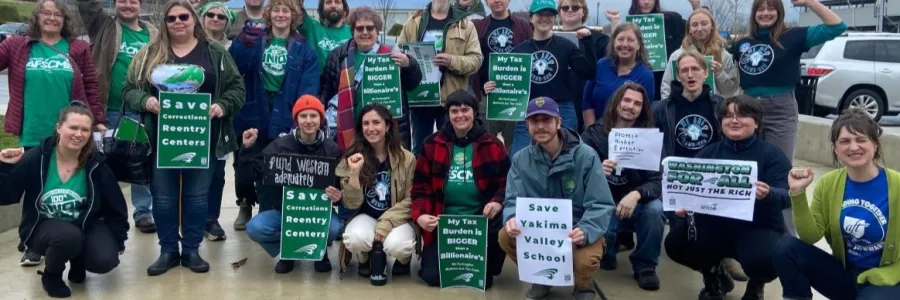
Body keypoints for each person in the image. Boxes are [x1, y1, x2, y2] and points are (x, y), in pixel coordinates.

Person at [123, 0, 244, 276]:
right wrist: (145, 101)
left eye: (183, 17)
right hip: (161, 141)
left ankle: (191, 249)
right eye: (171, 18)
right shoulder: (149, 54)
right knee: (163, 198)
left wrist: (222, 105)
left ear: (194, 20)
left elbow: (237, 88)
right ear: (164, 23)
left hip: (204, 139)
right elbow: (128, 89)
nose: (178, 22)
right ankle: (168, 250)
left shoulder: (215, 53)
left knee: (197, 197)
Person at [1, 0, 107, 268]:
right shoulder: (17, 45)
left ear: (65, 19)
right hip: (33, 128)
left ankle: (71, 238)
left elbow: (91, 87)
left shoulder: (78, 48)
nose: (51, 18)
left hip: (70, 131)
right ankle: (33, 245)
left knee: (66, 183)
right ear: (37, 17)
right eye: (46, 13)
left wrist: (99, 121)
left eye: (57, 14)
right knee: (35, 186)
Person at [665, 95, 792, 300]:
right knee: (676, 243)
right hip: (715, 227)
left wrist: (769, 194)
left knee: (770, 257)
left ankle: (756, 284)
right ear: (721, 122)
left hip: (757, 227)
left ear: (756, 122)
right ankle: (715, 276)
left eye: (742, 115)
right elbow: (690, 192)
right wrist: (684, 206)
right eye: (728, 116)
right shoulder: (708, 153)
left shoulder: (772, 154)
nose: (734, 120)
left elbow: (788, 196)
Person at [0, 105, 129, 298]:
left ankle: (78, 260)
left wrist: (117, 240)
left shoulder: (96, 163)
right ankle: (52, 275)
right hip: (44, 227)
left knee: (104, 260)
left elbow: (116, 205)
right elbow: (7, 195)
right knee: (67, 236)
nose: (79, 134)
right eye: (73, 128)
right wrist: (3, 166)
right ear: (59, 127)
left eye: (85, 130)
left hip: (85, 224)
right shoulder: (36, 158)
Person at [774, 108, 900, 300]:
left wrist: (887, 274)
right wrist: (798, 193)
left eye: (861, 139)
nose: (853, 147)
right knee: (786, 248)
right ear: (835, 149)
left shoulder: (897, 185)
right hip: (845, 274)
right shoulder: (829, 183)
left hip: (888, 280)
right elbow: (809, 236)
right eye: (845, 141)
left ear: (875, 145)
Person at [499, 96, 615, 300]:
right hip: (540, 235)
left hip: (577, 231)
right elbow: (512, 200)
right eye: (535, 121)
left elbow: (601, 203)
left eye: (547, 120)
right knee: (505, 236)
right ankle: (541, 278)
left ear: (559, 122)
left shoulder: (586, 156)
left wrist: (586, 230)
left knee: (585, 260)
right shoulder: (520, 159)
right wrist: (510, 218)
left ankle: (583, 286)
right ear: (527, 125)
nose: (541, 126)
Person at [228, 0, 320, 238]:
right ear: (269, 14)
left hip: (285, 114)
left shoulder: (304, 48)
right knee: (246, 164)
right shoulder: (255, 39)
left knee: (278, 169)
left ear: (294, 15)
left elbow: (308, 87)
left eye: (286, 10)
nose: (280, 15)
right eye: (276, 10)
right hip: (254, 112)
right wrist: (244, 43)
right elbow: (234, 65)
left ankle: (271, 216)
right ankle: (246, 204)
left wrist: (298, 119)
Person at [75, 0, 158, 236]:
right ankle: (103, 210)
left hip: (143, 107)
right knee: (104, 163)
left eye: (133, 1)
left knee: (140, 162)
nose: (128, 5)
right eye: (123, 0)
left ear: (141, 5)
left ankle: (143, 212)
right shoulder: (103, 25)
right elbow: (87, 6)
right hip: (109, 109)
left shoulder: (153, 33)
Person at [411, 91, 510, 288]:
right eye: (454, 111)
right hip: (444, 223)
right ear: (448, 114)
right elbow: (420, 188)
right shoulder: (431, 144)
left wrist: (497, 202)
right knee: (432, 277)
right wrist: (420, 215)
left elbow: (507, 183)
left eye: (465, 110)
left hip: (481, 223)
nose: (460, 115)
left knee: (485, 280)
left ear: (474, 112)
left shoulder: (493, 145)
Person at [731, 0, 845, 161]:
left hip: (781, 109)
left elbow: (837, 27)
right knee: (747, 164)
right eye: (760, 9)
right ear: (754, 14)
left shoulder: (794, 35)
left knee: (779, 164)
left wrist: (810, 3)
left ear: (779, 12)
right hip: (747, 108)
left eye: (771, 9)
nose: (765, 13)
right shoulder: (743, 43)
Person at [240, 95, 344, 274]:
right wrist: (247, 149)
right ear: (296, 120)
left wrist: (338, 197)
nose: (309, 121)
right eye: (303, 116)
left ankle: (320, 252)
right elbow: (248, 176)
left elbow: (341, 189)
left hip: (319, 214)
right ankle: (289, 251)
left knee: (335, 228)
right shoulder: (279, 147)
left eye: (313, 116)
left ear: (321, 119)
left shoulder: (332, 149)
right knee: (254, 227)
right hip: (283, 212)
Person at [483, 0, 597, 155]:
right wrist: (491, 88)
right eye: (540, 14)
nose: (544, 18)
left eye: (549, 14)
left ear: (554, 18)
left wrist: (588, 43)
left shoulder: (566, 45)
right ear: (531, 18)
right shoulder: (519, 51)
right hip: (528, 111)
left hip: (561, 109)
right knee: (519, 156)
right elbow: (506, 84)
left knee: (568, 156)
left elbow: (588, 72)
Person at [581, 83, 665, 291]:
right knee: (606, 262)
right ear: (617, 102)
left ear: (642, 109)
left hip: (635, 204)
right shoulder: (592, 135)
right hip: (603, 205)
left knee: (656, 209)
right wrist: (596, 171)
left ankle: (645, 266)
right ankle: (611, 246)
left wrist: (637, 194)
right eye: (627, 100)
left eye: (637, 103)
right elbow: (576, 176)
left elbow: (658, 180)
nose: (631, 106)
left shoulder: (650, 138)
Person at [336, 104, 417, 284]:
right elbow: (350, 204)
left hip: (397, 218)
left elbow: (412, 199)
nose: (370, 128)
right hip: (366, 215)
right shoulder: (351, 157)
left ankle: (403, 261)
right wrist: (354, 173)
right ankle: (364, 257)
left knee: (399, 245)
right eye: (366, 123)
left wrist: (386, 222)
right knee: (354, 238)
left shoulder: (407, 159)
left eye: (376, 122)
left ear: (387, 126)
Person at [320, 6, 422, 150]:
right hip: (351, 129)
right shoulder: (338, 56)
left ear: (377, 30)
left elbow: (413, 83)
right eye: (360, 28)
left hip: (385, 131)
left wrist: (409, 64)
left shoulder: (392, 56)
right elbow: (327, 91)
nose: (365, 32)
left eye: (370, 28)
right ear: (352, 31)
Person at [398, 0, 483, 155]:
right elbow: (399, 52)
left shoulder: (464, 25)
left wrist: (452, 61)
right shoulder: (414, 22)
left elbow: (476, 60)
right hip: (420, 97)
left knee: (452, 149)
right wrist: (406, 61)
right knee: (421, 150)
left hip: (451, 100)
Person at [226, 0, 267, 232]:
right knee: (242, 156)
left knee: (267, 158)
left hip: (267, 99)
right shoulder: (233, 19)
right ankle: (244, 204)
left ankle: (265, 205)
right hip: (242, 100)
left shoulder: (275, 18)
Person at [471, 0, 532, 151]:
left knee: (516, 149)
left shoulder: (523, 26)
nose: (497, 0)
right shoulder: (477, 26)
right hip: (487, 97)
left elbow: (531, 57)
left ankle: (513, 175)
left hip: (515, 98)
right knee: (486, 147)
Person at [608, 0, 690, 101]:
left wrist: (697, 6)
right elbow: (618, 49)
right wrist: (614, 23)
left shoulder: (671, 20)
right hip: (638, 84)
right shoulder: (630, 25)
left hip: (666, 86)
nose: (646, 2)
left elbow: (695, 31)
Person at [653, 51, 722, 159]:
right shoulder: (664, 109)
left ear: (706, 73)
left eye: (695, 69)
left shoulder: (719, 105)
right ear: (678, 76)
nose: (690, 75)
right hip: (677, 172)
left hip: (712, 171)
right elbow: (653, 146)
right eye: (684, 70)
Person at [660, 8, 741, 99]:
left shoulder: (724, 56)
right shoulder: (677, 56)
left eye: (704, 24)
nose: (699, 28)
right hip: (684, 110)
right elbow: (666, 87)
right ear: (689, 29)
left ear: (712, 26)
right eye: (694, 25)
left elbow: (731, 91)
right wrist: (668, 109)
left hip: (715, 110)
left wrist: (720, 74)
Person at [583, 23, 655, 125]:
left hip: (626, 135)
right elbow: (587, 101)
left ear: (638, 45)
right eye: (620, 39)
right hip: (596, 133)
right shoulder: (601, 65)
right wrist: (591, 130)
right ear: (614, 43)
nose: (624, 44)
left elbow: (644, 112)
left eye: (630, 40)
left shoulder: (646, 75)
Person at [556, 0, 609, 131]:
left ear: (583, 11)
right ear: (559, 12)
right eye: (565, 8)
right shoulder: (550, 39)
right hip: (559, 106)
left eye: (575, 7)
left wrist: (615, 23)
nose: (570, 10)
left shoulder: (600, 39)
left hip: (589, 105)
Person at [299, 0, 351, 72]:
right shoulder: (312, 27)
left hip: (348, 82)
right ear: (322, 9)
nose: (333, 5)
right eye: (329, 2)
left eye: (337, 2)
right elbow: (296, 8)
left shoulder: (354, 31)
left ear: (344, 8)